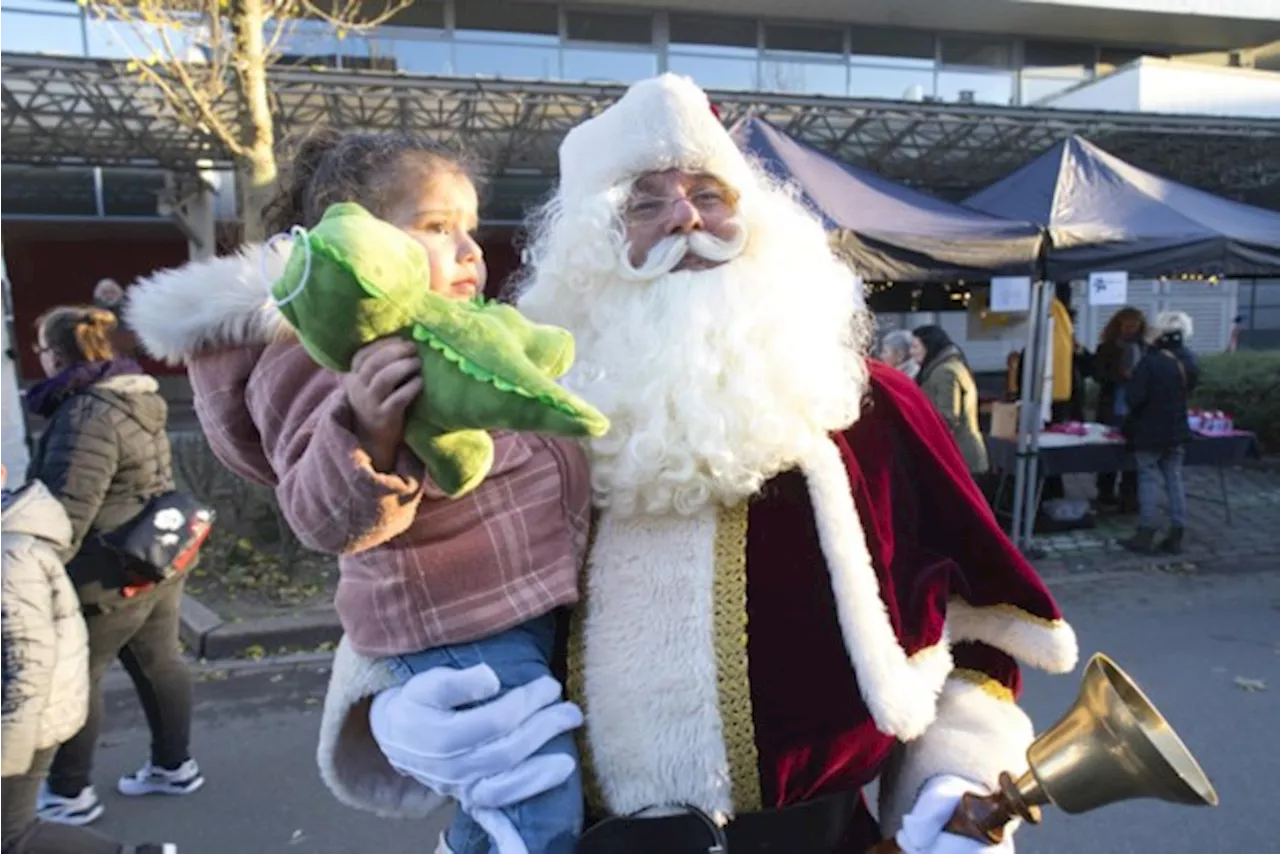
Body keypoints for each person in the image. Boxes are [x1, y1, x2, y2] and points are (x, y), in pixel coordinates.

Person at [270, 75, 1076, 854]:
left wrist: (951, 777)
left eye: (711, 194)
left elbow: (974, 628)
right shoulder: (521, 402)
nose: (686, 219)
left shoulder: (873, 409)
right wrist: (388, 707)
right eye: (644, 203)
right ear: (592, 245)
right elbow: (414, 562)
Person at [125, 129, 588, 854]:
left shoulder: (444, 328)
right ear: (355, 233)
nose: (469, 250)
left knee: (516, 799)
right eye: (437, 227)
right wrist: (368, 428)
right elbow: (318, 514)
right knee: (531, 801)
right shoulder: (316, 349)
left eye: (470, 227)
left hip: (511, 607)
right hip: (454, 623)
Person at [23, 307, 200, 827]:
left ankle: (69, 793)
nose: (37, 355)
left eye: (39, 346)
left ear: (58, 354)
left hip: (105, 572)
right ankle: (175, 766)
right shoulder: (137, 395)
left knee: (77, 675)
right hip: (154, 555)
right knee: (160, 663)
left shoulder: (85, 413)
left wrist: (38, 567)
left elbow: (68, 510)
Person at [0, 464, 179, 854]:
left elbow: (27, 666)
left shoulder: (11, 559)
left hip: (23, 721)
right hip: (23, 712)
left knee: (12, 835)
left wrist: (7, 756)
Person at [1119, 311, 1200, 556]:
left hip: (1148, 430)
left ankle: (1146, 531)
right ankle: (1177, 531)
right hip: (1177, 428)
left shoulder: (1151, 361)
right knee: (1174, 479)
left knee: (1148, 479)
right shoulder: (1189, 360)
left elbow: (1134, 397)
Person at [910, 325, 989, 475]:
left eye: (915, 346)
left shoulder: (945, 372)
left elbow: (947, 417)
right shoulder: (946, 367)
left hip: (959, 457)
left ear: (929, 346)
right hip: (959, 455)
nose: (912, 352)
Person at [1093, 307, 1147, 512]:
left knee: (1133, 453)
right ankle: (1105, 492)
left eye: (1134, 327)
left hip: (1135, 408)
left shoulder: (1144, 348)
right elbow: (1098, 375)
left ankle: (1130, 494)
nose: (1130, 330)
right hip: (1112, 405)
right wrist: (1119, 375)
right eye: (1127, 326)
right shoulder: (1107, 348)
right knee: (1108, 452)